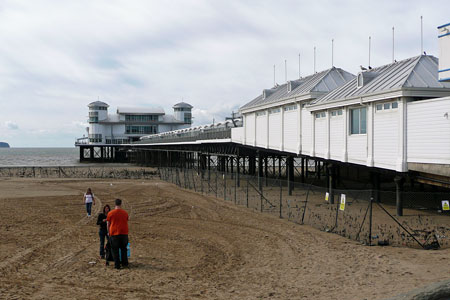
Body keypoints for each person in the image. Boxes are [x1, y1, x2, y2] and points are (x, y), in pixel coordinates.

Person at [106, 198, 129, 269]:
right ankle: (125, 263)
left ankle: (117, 265)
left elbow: (108, 223)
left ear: (115, 204)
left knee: (115, 250)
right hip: (124, 233)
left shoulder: (110, 213)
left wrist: (108, 232)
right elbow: (127, 220)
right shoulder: (125, 213)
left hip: (114, 233)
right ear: (120, 204)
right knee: (123, 249)